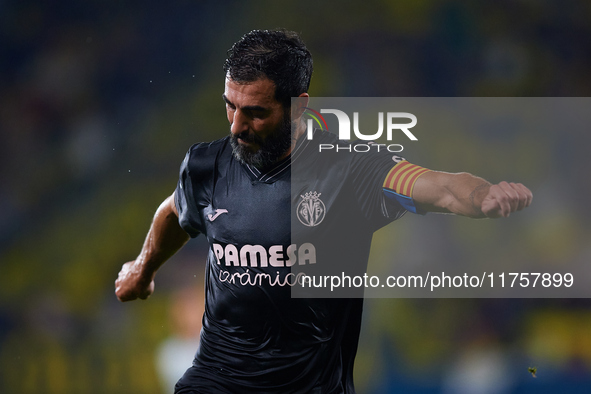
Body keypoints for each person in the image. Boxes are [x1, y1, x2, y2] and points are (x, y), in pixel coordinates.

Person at [115, 29, 532, 393]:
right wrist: (142, 269)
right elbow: (174, 210)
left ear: (298, 106)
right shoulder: (207, 166)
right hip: (215, 379)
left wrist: (481, 196)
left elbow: (439, 186)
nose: (236, 126)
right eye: (231, 106)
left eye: (256, 113)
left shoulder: (352, 170)